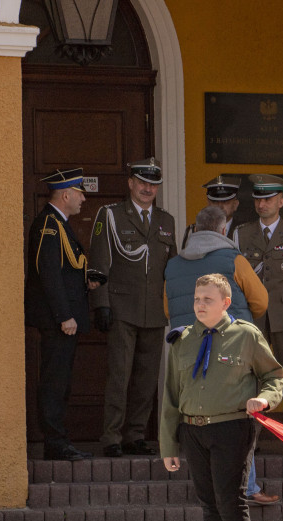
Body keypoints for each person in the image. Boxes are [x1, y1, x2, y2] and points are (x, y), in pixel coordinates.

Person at [160, 274, 283, 521]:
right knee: (209, 505)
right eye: (197, 299)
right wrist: (169, 446)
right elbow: (171, 395)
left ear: (226, 303)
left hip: (232, 427)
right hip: (193, 430)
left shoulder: (245, 336)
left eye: (208, 300)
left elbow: (274, 375)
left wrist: (264, 399)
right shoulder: (183, 340)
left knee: (231, 502)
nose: (200, 305)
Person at [164, 206, 279, 506]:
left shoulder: (174, 264)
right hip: (230, 349)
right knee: (238, 416)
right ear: (223, 230)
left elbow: (166, 309)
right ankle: (248, 486)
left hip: (188, 351)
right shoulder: (234, 260)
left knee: (196, 417)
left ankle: (211, 486)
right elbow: (262, 300)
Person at [89, 157, 177, 458]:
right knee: (119, 376)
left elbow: (172, 268)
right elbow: (98, 263)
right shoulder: (111, 215)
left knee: (146, 378)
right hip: (121, 308)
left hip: (154, 311)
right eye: (142, 182)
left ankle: (135, 435)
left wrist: (174, 308)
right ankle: (111, 436)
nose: (147, 188)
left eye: (153, 184)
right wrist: (100, 304)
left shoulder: (166, 221)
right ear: (130, 183)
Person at [25, 168, 102, 461]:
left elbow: (65, 271)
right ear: (66, 194)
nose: (83, 198)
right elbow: (48, 274)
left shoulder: (59, 223)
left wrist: (86, 280)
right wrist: (63, 315)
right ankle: (55, 442)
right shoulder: (49, 224)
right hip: (59, 321)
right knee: (55, 382)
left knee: (62, 381)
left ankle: (58, 439)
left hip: (65, 319)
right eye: (80, 193)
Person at [234, 174, 283, 433]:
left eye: (268, 199)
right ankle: (251, 433)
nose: (261, 204)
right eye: (258, 199)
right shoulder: (243, 233)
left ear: (281, 201)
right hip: (253, 317)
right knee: (251, 377)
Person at [181, 175, 241, 249]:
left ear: (235, 205)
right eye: (215, 202)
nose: (220, 206)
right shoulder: (194, 230)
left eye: (225, 202)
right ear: (208, 204)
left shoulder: (244, 231)